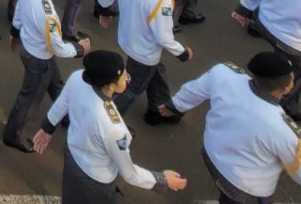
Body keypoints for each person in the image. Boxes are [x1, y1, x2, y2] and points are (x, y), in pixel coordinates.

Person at [172, 52, 301, 201]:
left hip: (211, 154)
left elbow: (192, 91)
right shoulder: (282, 129)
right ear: (286, 88)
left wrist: (174, 106)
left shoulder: (223, 73)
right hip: (245, 186)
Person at [31, 50, 186, 200]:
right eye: (123, 75)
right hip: (96, 181)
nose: (127, 77)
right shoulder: (114, 127)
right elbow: (130, 173)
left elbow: (61, 104)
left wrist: (47, 128)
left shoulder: (77, 78)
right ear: (110, 85)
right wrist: (163, 180)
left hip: (72, 158)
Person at [96, 0, 190, 123]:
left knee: (155, 71)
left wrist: (105, 10)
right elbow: (163, 37)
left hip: (127, 37)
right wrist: (182, 52)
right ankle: (107, 123)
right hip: (145, 51)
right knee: (130, 90)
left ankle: (159, 105)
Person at [2, 0, 86, 153]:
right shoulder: (47, 14)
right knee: (29, 99)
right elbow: (57, 47)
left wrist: (15, 32)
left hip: (29, 48)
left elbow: (19, 11)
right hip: (40, 58)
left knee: (56, 83)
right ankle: (12, 135)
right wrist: (80, 49)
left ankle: (65, 114)